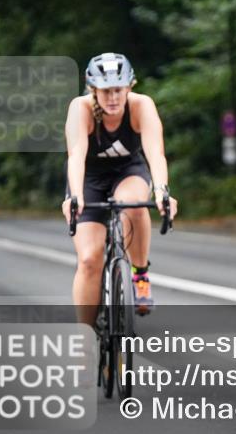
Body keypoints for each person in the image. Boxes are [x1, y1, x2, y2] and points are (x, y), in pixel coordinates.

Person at [61, 53, 178, 325]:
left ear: (129, 86)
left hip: (128, 171)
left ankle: (140, 276)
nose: (113, 98)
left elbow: (155, 154)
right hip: (89, 178)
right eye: (105, 91)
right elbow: (76, 156)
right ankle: (85, 336)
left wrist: (162, 191)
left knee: (135, 204)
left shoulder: (142, 106)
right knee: (90, 259)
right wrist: (75, 197)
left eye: (118, 90)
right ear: (93, 90)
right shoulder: (81, 109)